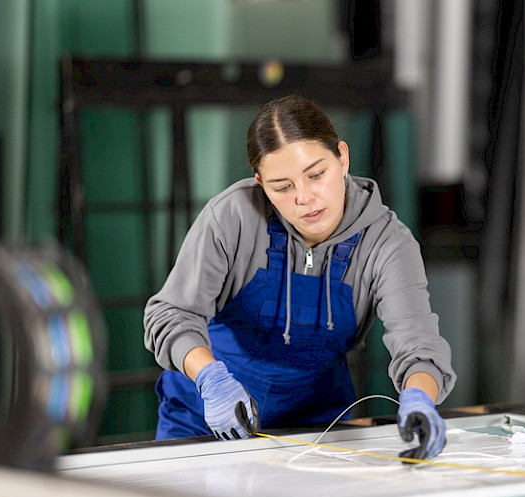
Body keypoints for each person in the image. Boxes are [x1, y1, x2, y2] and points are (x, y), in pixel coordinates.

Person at [144, 95, 455, 460]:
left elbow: (418, 347)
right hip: (204, 419)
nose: (305, 198)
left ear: (342, 157)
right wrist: (211, 380)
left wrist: (419, 399)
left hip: (314, 430)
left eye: (316, 174)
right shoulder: (232, 217)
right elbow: (173, 313)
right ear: (261, 183)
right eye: (282, 187)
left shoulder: (388, 243)